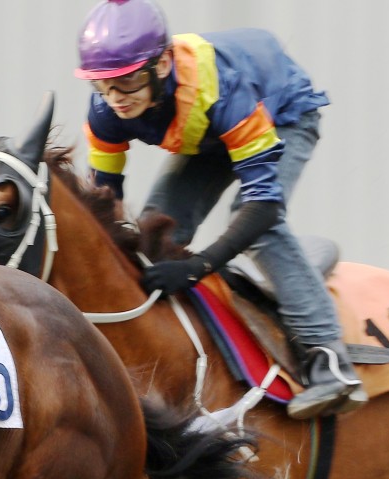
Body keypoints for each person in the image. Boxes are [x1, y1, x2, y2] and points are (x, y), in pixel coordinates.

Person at [74, 0, 366, 419]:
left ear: (162, 65)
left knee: (259, 230)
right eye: (102, 84)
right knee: (155, 230)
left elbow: (263, 207)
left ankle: (330, 362)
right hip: (208, 134)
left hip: (279, 111)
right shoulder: (105, 112)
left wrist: (198, 267)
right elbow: (103, 203)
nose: (115, 98)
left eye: (127, 82)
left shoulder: (222, 90)